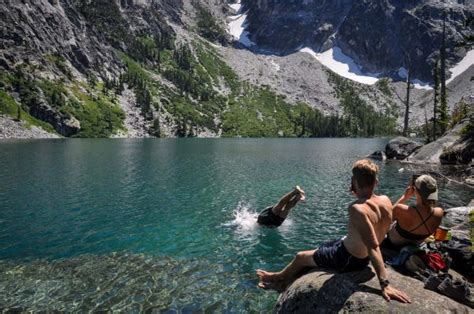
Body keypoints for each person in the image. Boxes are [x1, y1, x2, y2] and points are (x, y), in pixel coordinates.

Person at [256, 159, 411, 303]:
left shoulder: (358, 209)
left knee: (301, 257)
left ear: (354, 182)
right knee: (324, 247)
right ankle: (290, 278)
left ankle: (279, 279)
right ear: (375, 182)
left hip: (349, 259)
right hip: (350, 249)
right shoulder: (385, 200)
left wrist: (384, 284)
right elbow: (383, 227)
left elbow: (373, 246)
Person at [382, 175, 443, 250]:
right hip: (417, 244)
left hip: (393, 243)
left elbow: (386, 219)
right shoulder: (439, 212)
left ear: (416, 191)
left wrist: (405, 197)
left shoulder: (401, 209)